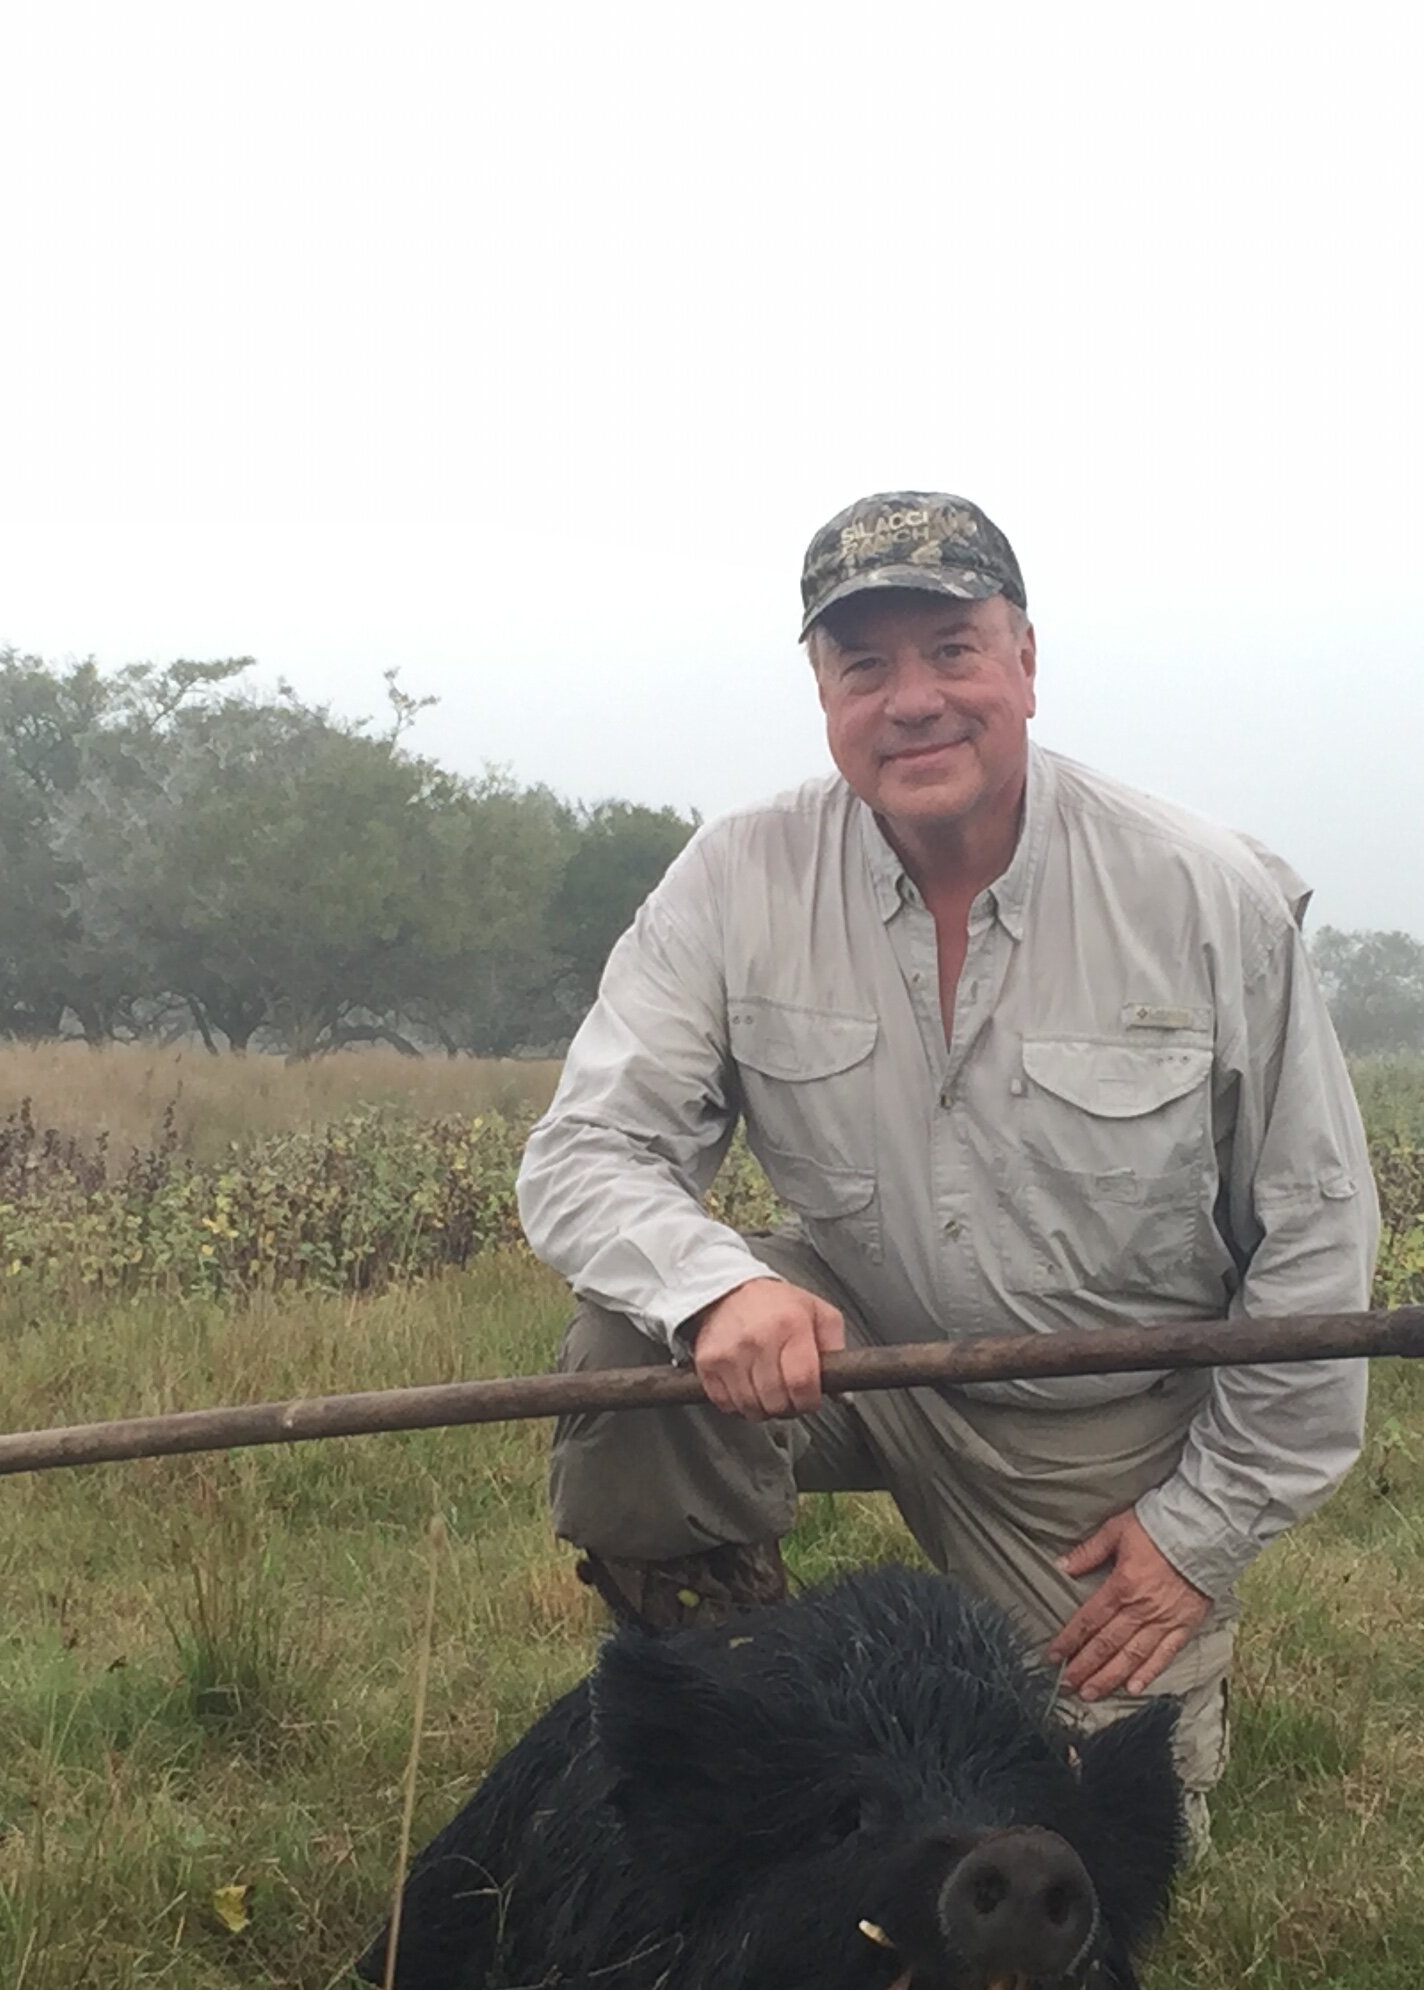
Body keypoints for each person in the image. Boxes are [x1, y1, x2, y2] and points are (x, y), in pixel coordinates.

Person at [517, 489, 1380, 1838]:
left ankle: (1167, 1690)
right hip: (851, 1356)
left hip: (1095, 1430)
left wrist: (1197, 1536)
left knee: (1089, 1846)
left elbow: (1319, 1248)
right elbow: (584, 1154)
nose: (912, 699)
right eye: (866, 664)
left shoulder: (1202, 896)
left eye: (952, 650)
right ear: (823, 692)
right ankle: (722, 1713)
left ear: (1025, 663)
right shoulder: (736, 878)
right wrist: (713, 1288)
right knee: (634, 1337)